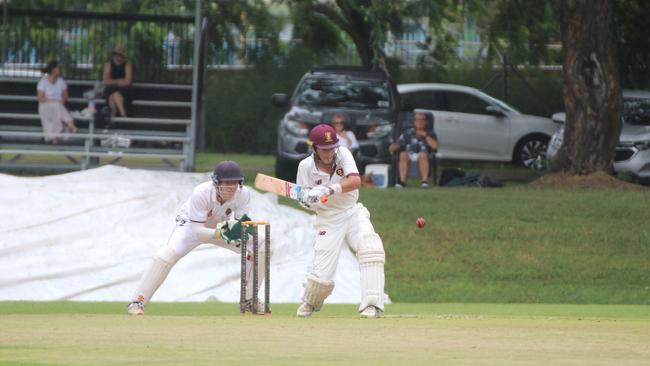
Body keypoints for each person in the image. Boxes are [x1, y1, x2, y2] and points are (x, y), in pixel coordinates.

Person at [127, 161, 268, 315]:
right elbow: (197, 231)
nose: (231, 187)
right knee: (167, 254)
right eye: (226, 182)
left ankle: (249, 299)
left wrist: (241, 229)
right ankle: (137, 302)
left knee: (260, 244)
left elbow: (242, 222)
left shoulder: (243, 193)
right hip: (190, 228)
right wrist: (223, 232)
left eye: (235, 183)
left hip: (221, 227)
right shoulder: (200, 192)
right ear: (216, 183)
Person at [295, 124, 386, 318]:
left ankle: (372, 305)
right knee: (322, 274)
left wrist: (329, 189)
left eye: (331, 148)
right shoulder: (305, 167)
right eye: (324, 149)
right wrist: (308, 200)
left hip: (351, 212)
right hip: (328, 220)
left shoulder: (343, 154)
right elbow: (302, 197)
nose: (329, 153)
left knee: (371, 247)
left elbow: (355, 181)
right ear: (315, 148)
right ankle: (310, 302)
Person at [389, 112, 438, 188]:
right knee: (402, 154)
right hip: (409, 154)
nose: (420, 122)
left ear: (425, 122)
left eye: (422, 120)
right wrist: (393, 147)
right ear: (414, 122)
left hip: (423, 155)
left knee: (423, 154)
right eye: (417, 120)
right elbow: (398, 144)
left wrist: (425, 136)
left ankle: (424, 182)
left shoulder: (430, 132)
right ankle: (402, 182)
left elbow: (435, 147)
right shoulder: (407, 132)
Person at [36, 60, 78, 144]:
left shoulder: (61, 81)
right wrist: (54, 101)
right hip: (45, 106)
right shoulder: (43, 81)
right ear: (53, 69)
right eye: (58, 68)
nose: (60, 70)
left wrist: (62, 100)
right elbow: (40, 98)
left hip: (58, 106)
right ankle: (70, 124)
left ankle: (55, 138)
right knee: (57, 106)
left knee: (57, 107)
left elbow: (65, 95)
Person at [103, 46, 133, 117]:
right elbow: (105, 81)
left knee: (113, 96)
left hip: (124, 90)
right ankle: (122, 112)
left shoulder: (127, 65)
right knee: (113, 94)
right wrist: (118, 81)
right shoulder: (108, 65)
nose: (118, 57)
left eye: (120, 55)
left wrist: (113, 81)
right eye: (116, 54)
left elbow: (128, 82)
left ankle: (113, 116)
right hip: (111, 89)